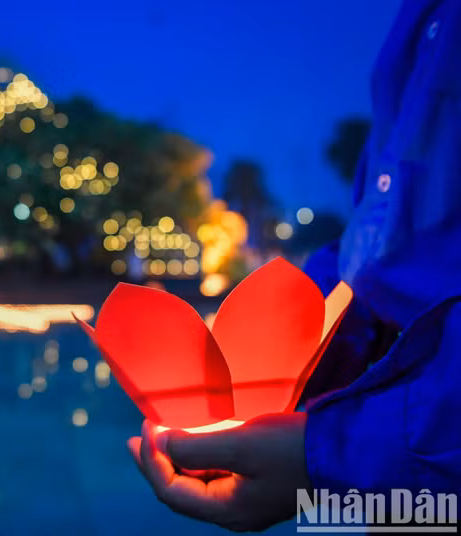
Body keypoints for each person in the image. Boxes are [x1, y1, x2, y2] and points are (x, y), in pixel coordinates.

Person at [127, 0, 461, 530]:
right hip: (400, 459)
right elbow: (378, 245)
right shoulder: (418, 18)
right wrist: (281, 331)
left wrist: (328, 458)